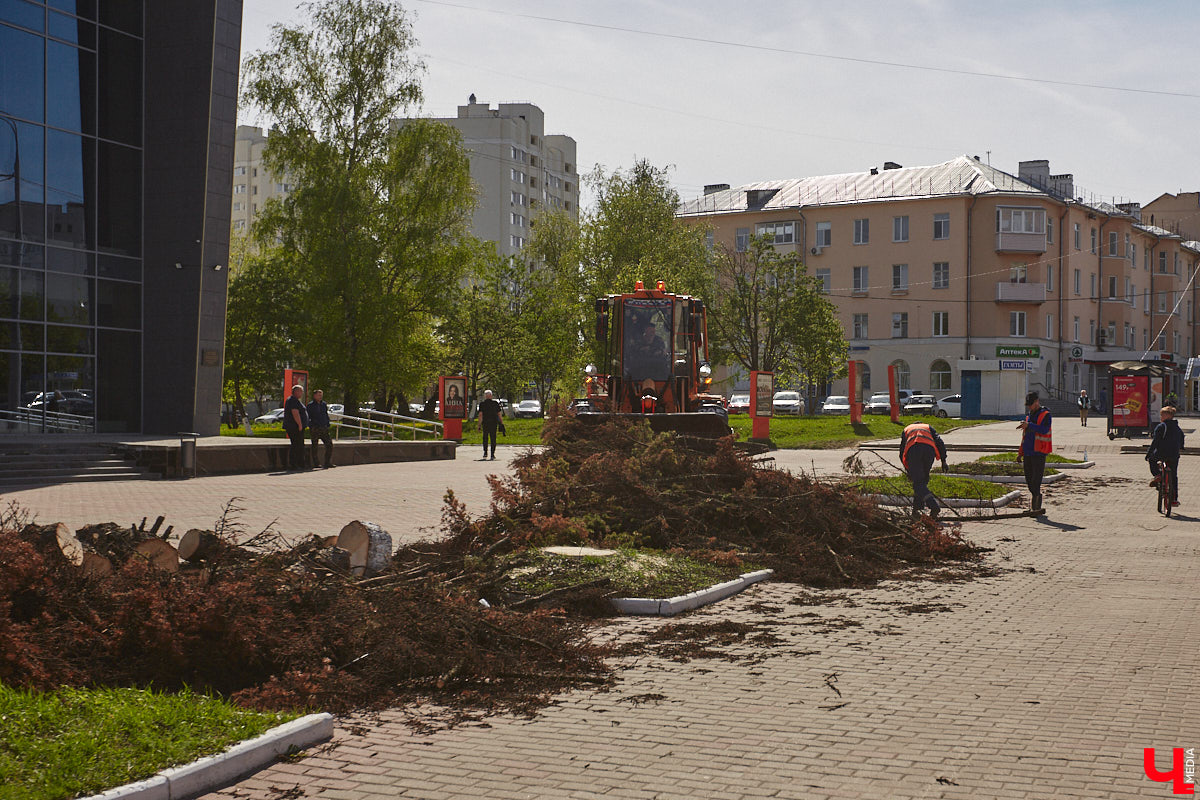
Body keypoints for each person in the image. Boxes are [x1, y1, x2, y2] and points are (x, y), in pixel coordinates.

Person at [900, 421, 949, 519]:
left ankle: (933, 506)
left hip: (914, 450)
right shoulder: (928, 427)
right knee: (923, 481)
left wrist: (908, 469)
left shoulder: (907, 429)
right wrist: (943, 461)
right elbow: (940, 442)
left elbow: (902, 451)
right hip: (929, 451)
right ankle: (917, 509)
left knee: (918, 482)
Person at [1017, 391, 1053, 512]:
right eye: (1028, 405)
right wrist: (1020, 453)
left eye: (1030, 404)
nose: (1029, 407)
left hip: (1039, 452)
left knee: (1035, 480)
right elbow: (1025, 436)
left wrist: (1029, 425)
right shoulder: (1029, 415)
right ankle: (1035, 501)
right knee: (1029, 479)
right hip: (1028, 452)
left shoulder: (1046, 415)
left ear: (1037, 402)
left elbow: (1044, 429)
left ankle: (1036, 506)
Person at [1147, 405, 1184, 506]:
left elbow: (1155, 441)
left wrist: (1149, 454)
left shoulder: (1161, 426)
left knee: (1152, 460)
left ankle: (1158, 475)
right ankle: (1174, 499)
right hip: (1174, 454)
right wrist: (1181, 447)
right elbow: (1182, 438)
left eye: (1161, 415)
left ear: (1167, 416)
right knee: (1173, 476)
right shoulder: (1177, 427)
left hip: (1161, 453)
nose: (1160, 417)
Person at [283, 384, 309, 471]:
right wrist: (300, 425)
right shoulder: (292, 400)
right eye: (300, 391)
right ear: (296, 391)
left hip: (296, 426)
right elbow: (295, 413)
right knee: (296, 445)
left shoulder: (295, 400)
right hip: (294, 427)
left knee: (299, 445)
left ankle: (300, 463)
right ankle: (294, 464)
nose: (301, 393)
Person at [307, 389, 334, 469]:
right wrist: (311, 425)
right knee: (315, 445)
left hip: (324, 427)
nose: (320, 397)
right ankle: (316, 463)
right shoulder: (310, 405)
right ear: (314, 396)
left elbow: (325, 414)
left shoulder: (323, 404)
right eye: (319, 395)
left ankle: (327, 462)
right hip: (315, 427)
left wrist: (327, 423)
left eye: (321, 395)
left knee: (329, 444)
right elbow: (308, 416)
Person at [475, 389, 503, 461]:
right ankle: (492, 454)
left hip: (486, 423)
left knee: (485, 438)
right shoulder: (495, 403)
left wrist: (479, 425)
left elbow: (480, 415)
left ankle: (485, 453)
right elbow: (499, 414)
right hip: (493, 423)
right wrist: (501, 423)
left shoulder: (482, 404)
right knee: (493, 438)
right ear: (491, 396)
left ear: (485, 396)